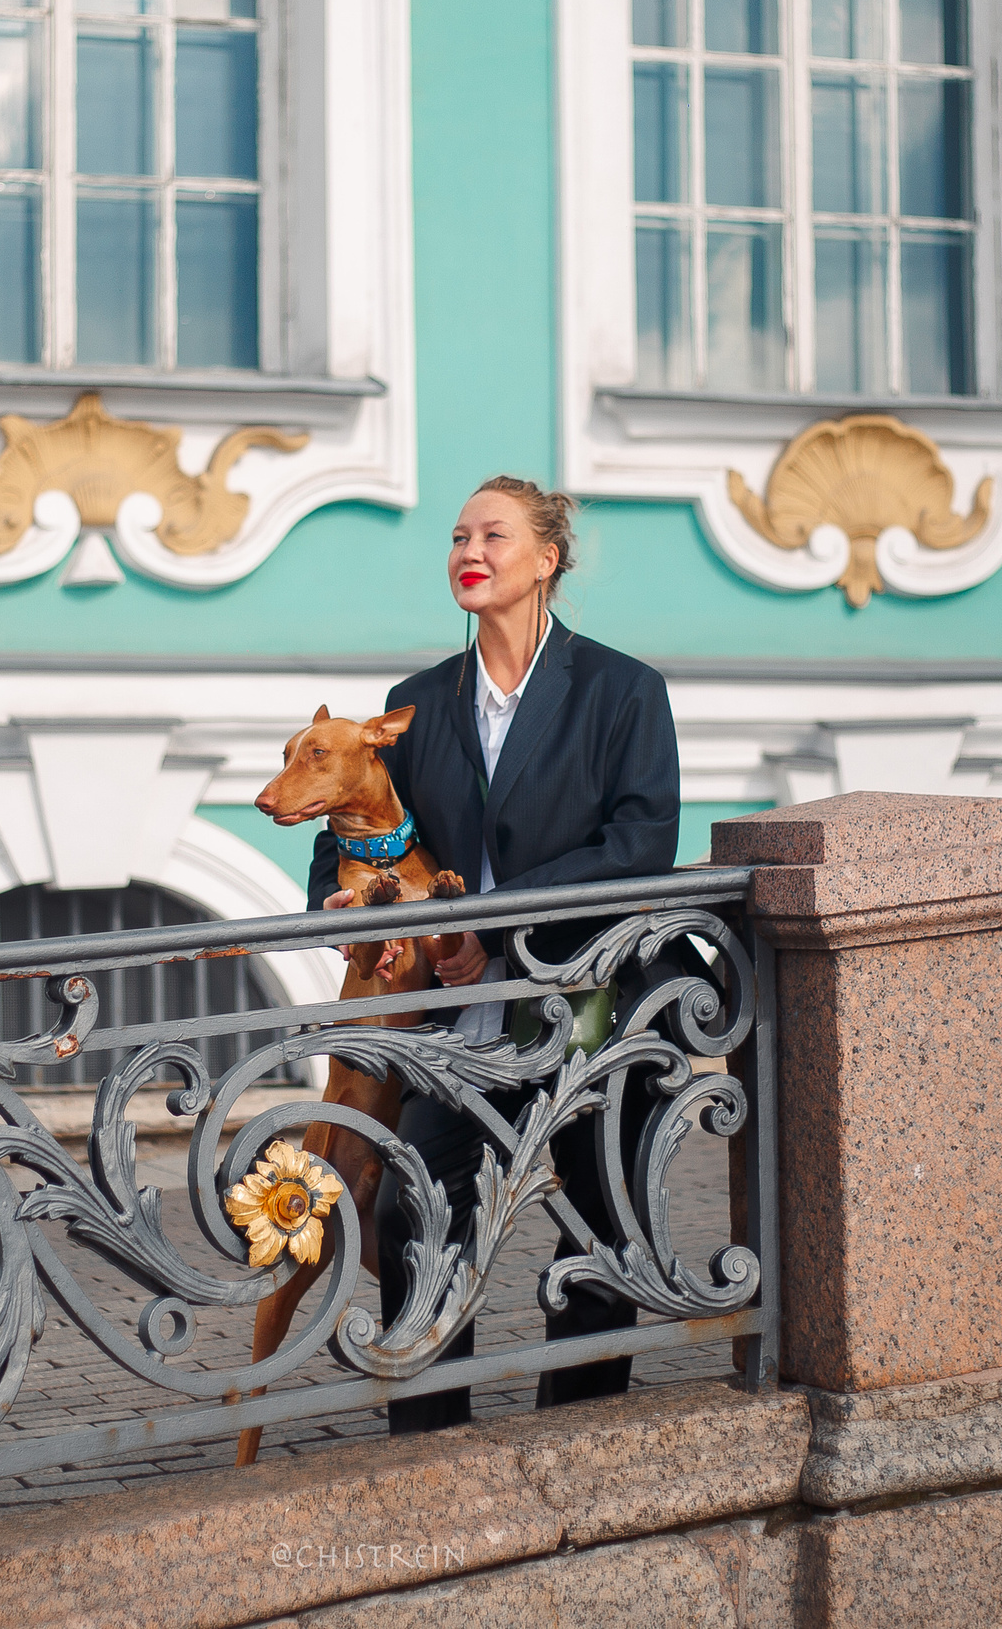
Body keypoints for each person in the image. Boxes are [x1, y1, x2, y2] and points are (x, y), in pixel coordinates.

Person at [305, 474, 682, 1433]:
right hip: (457, 1022)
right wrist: (351, 898)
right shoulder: (416, 702)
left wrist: (493, 925)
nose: (469, 550)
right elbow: (352, 828)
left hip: (583, 1005)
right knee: (409, 1211)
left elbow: (637, 846)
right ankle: (430, 1449)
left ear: (547, 559)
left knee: (599, 1232)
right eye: (459, 535)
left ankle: (582, 1434)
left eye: (494, 535)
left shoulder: (621, 690)